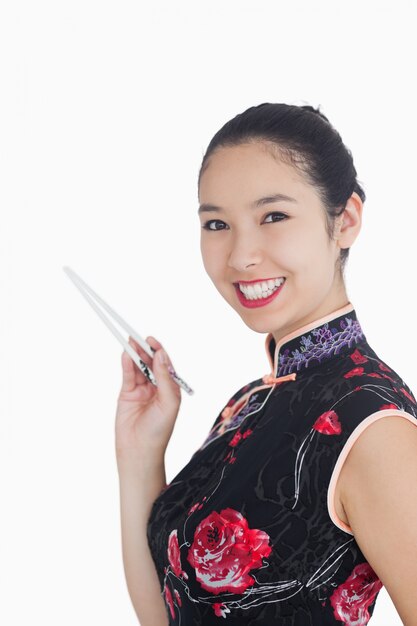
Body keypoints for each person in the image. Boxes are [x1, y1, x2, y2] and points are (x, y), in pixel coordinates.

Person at [115, 103, 417, 625]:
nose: (240, 255)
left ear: (344, 219)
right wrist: (139, 453)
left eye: (273, 216)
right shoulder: (250, 402)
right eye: (217, 223)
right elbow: (172, 615)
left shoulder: (374, 427)